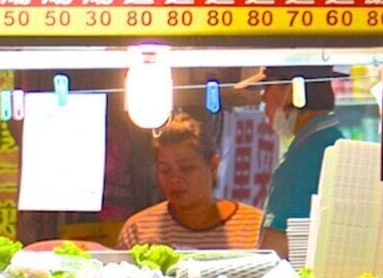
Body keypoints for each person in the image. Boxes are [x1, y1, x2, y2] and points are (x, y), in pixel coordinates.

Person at [121, 115, 278, 254]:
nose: (174, 179)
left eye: (186, 168)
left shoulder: (255, 226)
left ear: (213, 166)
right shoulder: (138, 229)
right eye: (165, 170)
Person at [261, 78, 353, 243]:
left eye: (267, 87)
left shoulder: (299, 163)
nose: (263, 97)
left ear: (292, 92)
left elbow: (275, 250)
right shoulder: (335, 142)